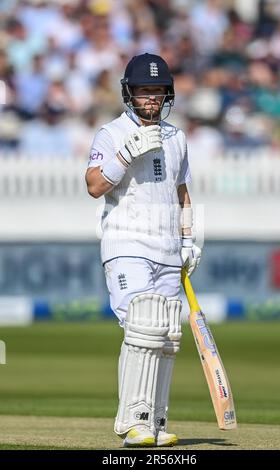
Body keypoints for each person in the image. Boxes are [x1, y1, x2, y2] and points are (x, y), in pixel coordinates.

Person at [85, 53, 201, 447]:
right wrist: (125, 155)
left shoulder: (177, 137)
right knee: (142, 330)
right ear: (129, 93)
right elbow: (94, 186)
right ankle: (132, 421)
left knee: (167, 336)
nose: (151, 98)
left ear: (167, 94)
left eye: (157, 91)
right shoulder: (112, 132)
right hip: (127, 243)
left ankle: (154, 419)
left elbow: (182, 193)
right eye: (143, 90)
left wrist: (188, 238)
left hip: (168, 249)